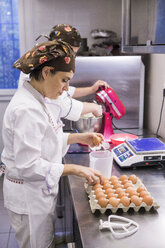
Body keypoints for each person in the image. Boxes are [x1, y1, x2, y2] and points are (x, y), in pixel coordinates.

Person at [1, 40, 104, 248]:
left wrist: (78, 138)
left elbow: (45, 140)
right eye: (64, 80)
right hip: (28, 198)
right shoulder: (27, 109)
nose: (66, 89)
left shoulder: (39, 98)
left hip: (37, 193)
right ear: (47, 72)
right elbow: (29, 165)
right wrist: (75, 168)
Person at [18, 24, 109, 122]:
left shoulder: (47, 61)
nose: (71, 58)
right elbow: (60, 104)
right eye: (69, 52)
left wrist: (91, 89)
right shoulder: (40, 66)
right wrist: (94, 107)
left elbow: (64, 91)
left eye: (74, 54)